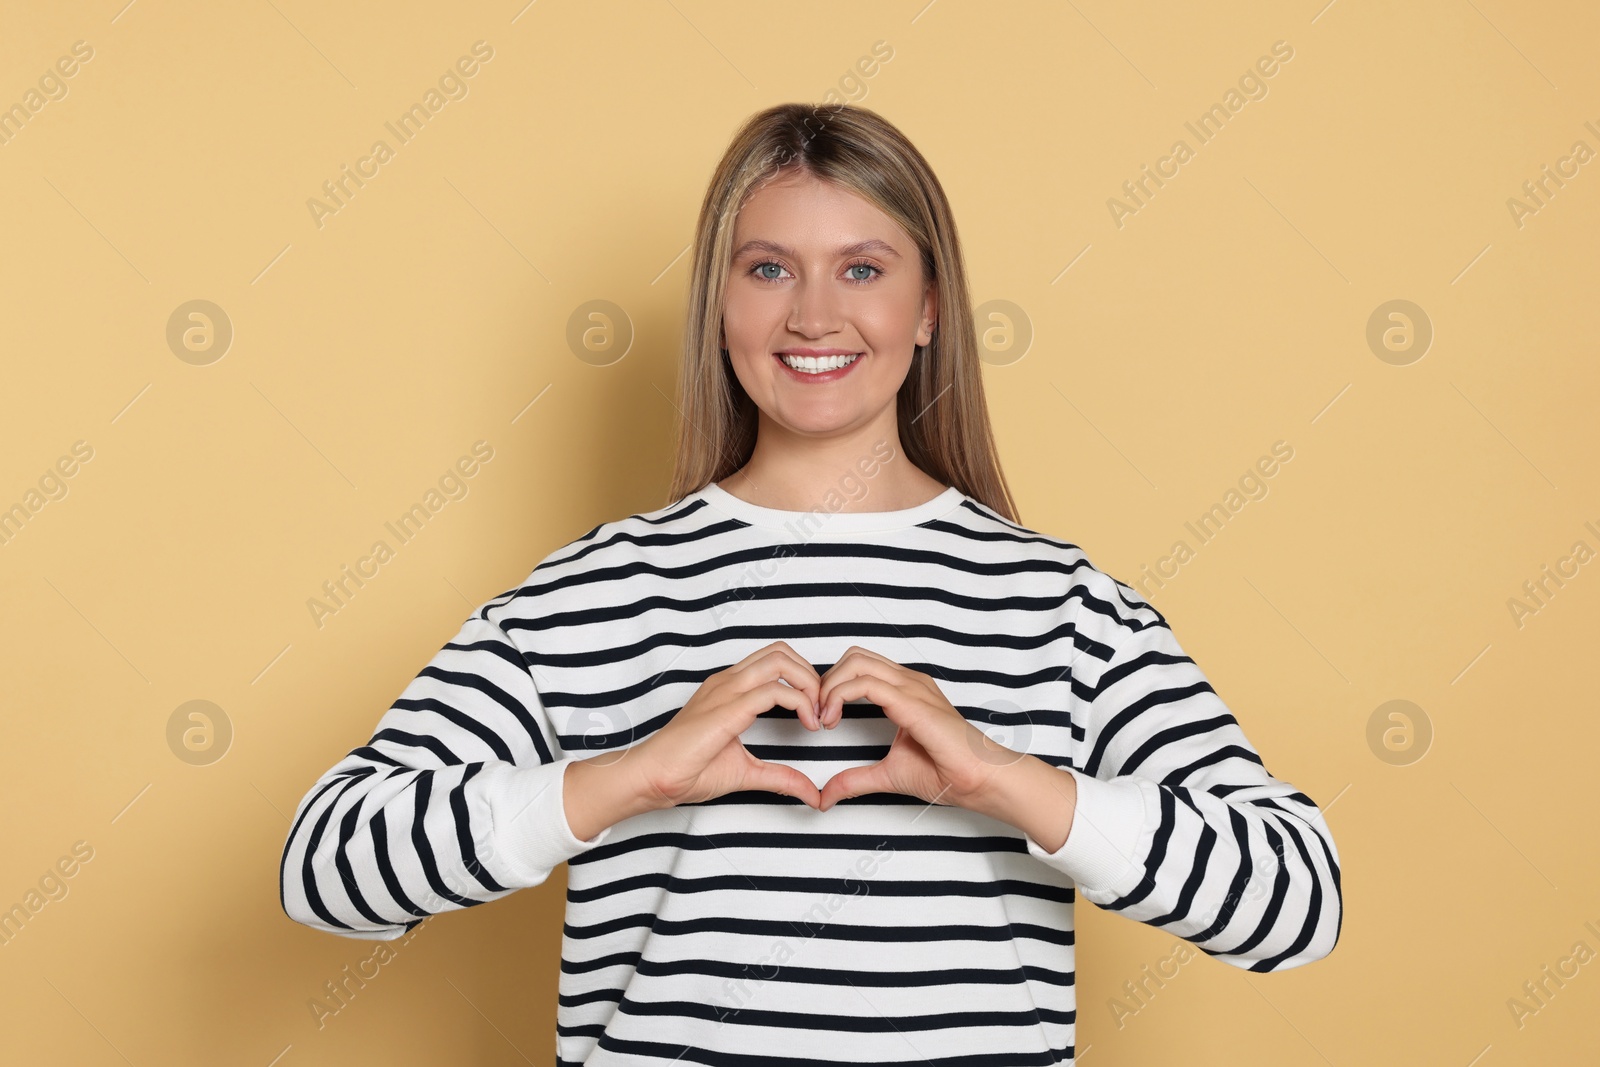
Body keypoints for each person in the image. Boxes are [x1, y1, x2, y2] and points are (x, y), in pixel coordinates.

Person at [279, 102, 1342, 1066]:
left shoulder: (1057, 606)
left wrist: (1002, 778)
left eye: (865, 269)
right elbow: (325, 869)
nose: (814, 316)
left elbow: (1294, 902)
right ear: (719, 304)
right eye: (769, 269)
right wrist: (628, 777)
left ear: (929, 309)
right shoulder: (590, 592)